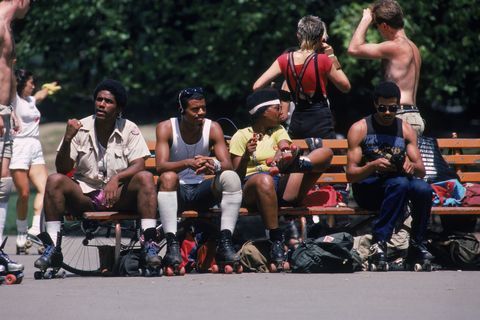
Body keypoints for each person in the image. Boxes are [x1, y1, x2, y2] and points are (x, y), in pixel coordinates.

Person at [34, 79, 160, 272]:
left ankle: (149, 245)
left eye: (108, 101)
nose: (101, 104)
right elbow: (62, 168)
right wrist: (68, 139)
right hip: (85, 195)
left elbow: (139, 164)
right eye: (99, 99)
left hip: (118, 196)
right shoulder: (80, 127)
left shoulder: (129, 129)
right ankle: (52, 248)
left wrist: (116, 179)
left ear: (119, 108)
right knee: (54, 180)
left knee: (145, 177)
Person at [229, 88, 333, 271]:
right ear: (263, 112)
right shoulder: (241, 135)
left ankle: (299, 163)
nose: (282, 112)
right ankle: (276, 239)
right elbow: (236, 177)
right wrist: (246, 155)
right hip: (252, 189)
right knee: (264, 180)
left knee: (326, 153)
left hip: (281, 186)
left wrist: (285, 152)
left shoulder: (278, 130)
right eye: (277, 108)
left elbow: (283, 143)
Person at [346, 81, 434, 271]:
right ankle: (380, 243)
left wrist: (410, 165)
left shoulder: (405, 129)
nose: (387, 112)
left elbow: (421, 170)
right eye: (383, 108)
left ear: (398, 106)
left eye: (392, 108)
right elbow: (351, 175)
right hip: (369, 190)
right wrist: (372, 165)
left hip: (397, 187)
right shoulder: (360, 128)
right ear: (375, 104)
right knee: (400, 183)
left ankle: (417, 245)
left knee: (423, 188)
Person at [155, 87, 243, 275]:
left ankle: (225, 243)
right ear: (182, 110)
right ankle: (172, 247)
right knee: (168, 176)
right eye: (195, 109)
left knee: (231, 177)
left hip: (202, 191)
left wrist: (214, 164)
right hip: (177, 192)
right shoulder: (166, 127)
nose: (201, 113)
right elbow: (160, 167)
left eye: (203, 108)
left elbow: (227, 164)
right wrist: (187, 163)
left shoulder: (213, 128)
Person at [253, 15, 350, 139]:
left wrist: (279, 96)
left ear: (298, 35)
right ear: (321, 38)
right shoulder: (323, 60)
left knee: (296, 156)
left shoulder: (284, 59)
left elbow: (257, 86)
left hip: (298, 120)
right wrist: (332, 56)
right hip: (321, 120)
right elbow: (345, 86)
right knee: (328, 155)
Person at [348, 0, 424, 136]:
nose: (377, 30)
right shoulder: (413, 47)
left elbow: (353, 49)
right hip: (413, 114)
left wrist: (365, 20)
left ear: (384, 26)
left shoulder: (396, 46)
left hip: (399, 114)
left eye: (376, 26)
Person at [10, 69, 60, 254]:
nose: (33, 85)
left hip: (35, 148)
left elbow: (39, 95)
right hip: (18, 147)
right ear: (21, 83)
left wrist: (48, 88)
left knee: (45, 189)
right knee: (23, 193)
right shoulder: (13, 99)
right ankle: (21, 235)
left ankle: (35, 229)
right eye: (30, 82)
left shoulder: (31, 100)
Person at [0, 0, 30, 276]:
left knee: (2, 185)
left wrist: (12, 110)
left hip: (6, 114)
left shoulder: (7, 28)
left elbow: (6, 74)